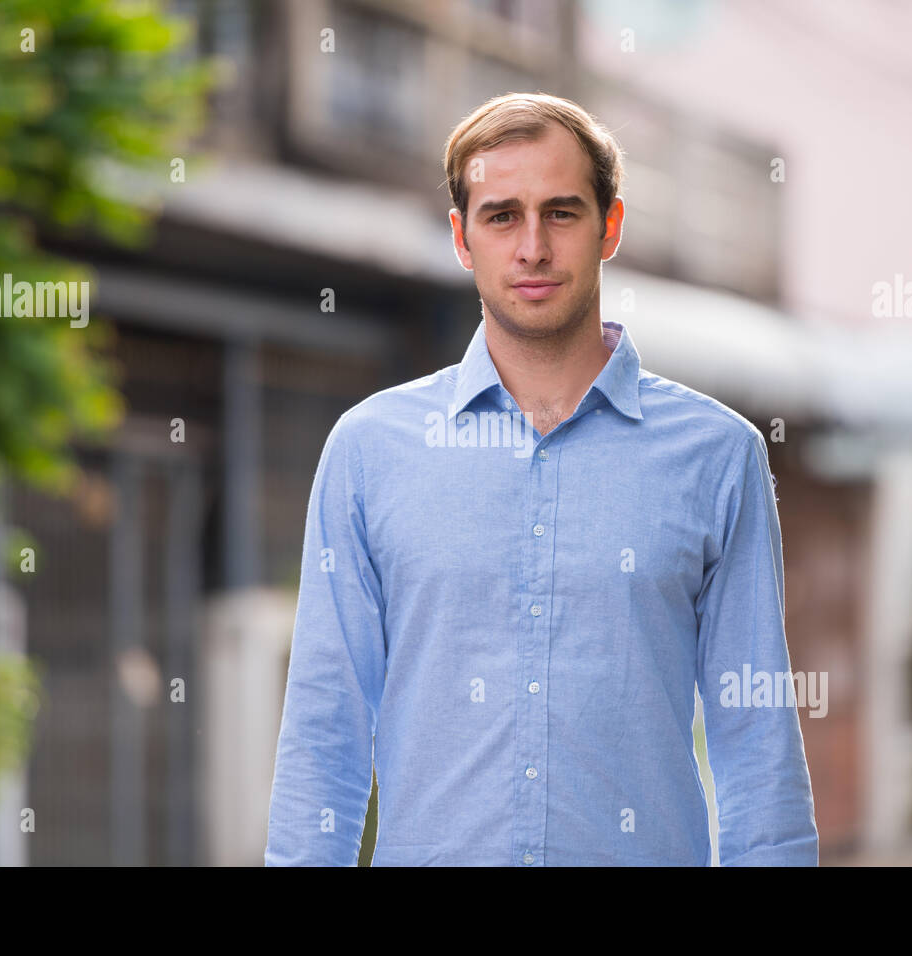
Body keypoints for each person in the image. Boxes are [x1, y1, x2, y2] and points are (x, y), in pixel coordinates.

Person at [264, 92, 818, 866]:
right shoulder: (369, 452)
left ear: (610, 227)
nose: (532, 247)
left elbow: (756, 739)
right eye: (501, 216)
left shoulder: (717, 457)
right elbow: (326, 729)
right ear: (462, 237)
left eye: (561, 213)